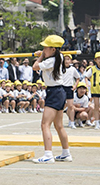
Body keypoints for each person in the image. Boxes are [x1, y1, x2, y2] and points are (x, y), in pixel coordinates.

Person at [32, 35, 72, 164]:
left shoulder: (50, 60)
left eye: (46, 47)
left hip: (54, 92)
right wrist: (43, 54)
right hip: (59, 91)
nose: (44, 49)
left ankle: (48, 154)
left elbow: (35, 67)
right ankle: (66, 153)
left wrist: (41, 56)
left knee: (45, 124)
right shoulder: (59, 56)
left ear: (53, 49)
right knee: (59, 125)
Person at [62, 54, 80, 129]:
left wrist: (75, 86)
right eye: (65, 59)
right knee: (61, 106)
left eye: (68, 59)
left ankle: (71, 122)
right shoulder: (60, 68)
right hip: (61, 87)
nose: (66, 61)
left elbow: (78, 78)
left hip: (69, 88)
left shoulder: (73, 69)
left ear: (71, 61)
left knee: (70, 106)